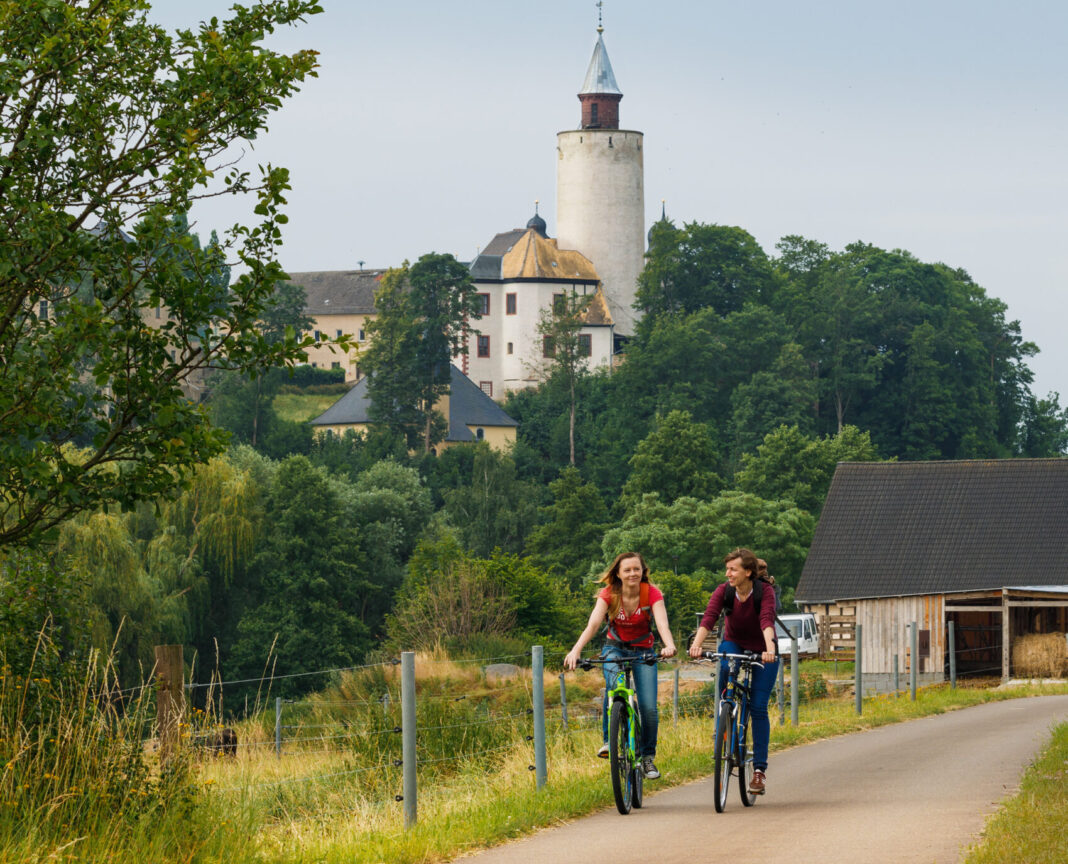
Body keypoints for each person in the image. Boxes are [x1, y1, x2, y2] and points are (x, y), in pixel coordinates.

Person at [564, 551, 677, 779]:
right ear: (618, 573)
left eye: (637, 569)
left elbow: (662, 624)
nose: (632, 573)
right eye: (627, 570)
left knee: (648, 709)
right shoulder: (609, 594)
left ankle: (647, 758)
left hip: (644, 651)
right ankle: (609, 742)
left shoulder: (652, 594)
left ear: (643, 572)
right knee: (614, 690)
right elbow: (593, 624)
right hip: (614, 649)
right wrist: (576, 650)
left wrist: (669, 645)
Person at [688, 547, 779, 795]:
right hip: (734, 643)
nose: (728, 573)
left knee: (758, 706)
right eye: (727, 569)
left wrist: (770, 649)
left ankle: (759, 771)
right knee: (727, 666)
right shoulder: (724, 591)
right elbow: (709, 618)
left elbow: (766, 620)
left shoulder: (764, 592)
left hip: (763, 649)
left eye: (733, 569)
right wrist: (696, 645)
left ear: (747, 572)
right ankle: (723, 725)